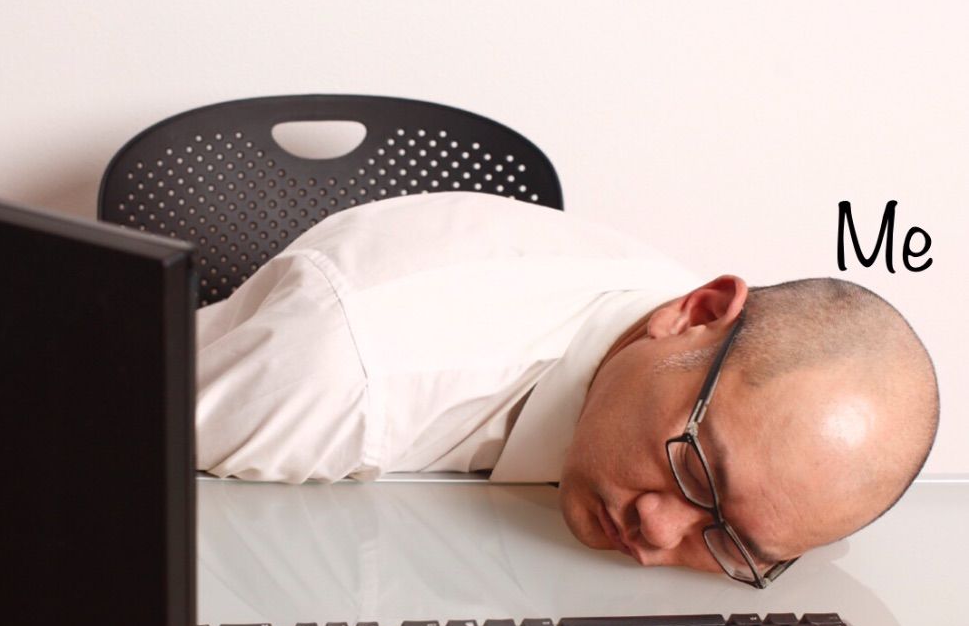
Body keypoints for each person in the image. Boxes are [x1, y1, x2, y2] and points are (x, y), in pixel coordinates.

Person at [195, 192, 938, 585]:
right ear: (693, 313)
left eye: (734, 540)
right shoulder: (341, 366)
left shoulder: (706, 365)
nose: (657, 535)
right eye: (694, 468)